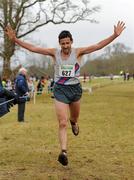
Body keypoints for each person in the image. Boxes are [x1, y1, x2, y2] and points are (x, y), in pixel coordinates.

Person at [5, 21, 125, 165]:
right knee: (62, 122)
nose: (65, 46)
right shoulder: (54, 53)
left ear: (71, 42)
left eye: (67, 43)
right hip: (60, 90)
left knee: (72, 119)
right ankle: (63, 152)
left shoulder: (78, 52)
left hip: (74, 90)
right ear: (59, 43)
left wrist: (114, 35)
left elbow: (98, 45)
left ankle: (74, 123)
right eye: (63, 43)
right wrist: (15, 40)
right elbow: (33, 48)